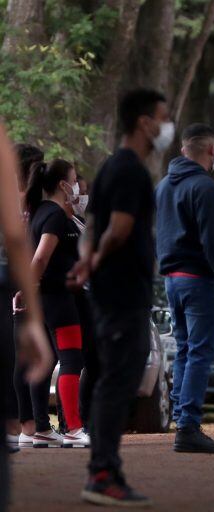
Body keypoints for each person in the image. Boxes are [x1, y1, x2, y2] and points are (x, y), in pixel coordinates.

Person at [69, 88, 173, 506]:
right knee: (118, 380)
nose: (167, 126)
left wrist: (85, 261)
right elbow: (118, 228)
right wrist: (92, 261)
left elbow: (93, 223)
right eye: (163, 118)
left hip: (111, 291)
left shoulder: (110, 166)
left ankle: (104, 467)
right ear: (144, 122)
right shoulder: (130, 170)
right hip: (123, 292)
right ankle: (102, 473)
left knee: (111, 376)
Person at [155, 123, 214, 454]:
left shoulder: (164, 186)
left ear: (184, 150)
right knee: (199, 351)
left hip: (172, 280)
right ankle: (188, 426)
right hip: (199, 281)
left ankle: (182, 419)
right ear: (211, 150)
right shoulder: (205, 188)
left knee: (184, 349)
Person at [15, 159, 90, 447]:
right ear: (62, 184)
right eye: (73, 180)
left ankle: (42, 430)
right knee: (72, 360)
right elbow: (41, 258)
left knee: (47, 364)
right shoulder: (56, 216)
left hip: (47, 302)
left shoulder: (38, 212)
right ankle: (72, 427)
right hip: (58, 300)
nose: (76, 187)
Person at [0, 123, 54, 511]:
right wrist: (33, 314)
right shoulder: (25, 201)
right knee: (10, 362)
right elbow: (19, 244)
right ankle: (14, 429)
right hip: (6, 283)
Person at [6, 144, 44, 450]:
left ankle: (24, 424)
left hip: (17, 283)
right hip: (10, 280)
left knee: (16, 356)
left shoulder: (33, 203)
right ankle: (20, 423)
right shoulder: (12, 198)